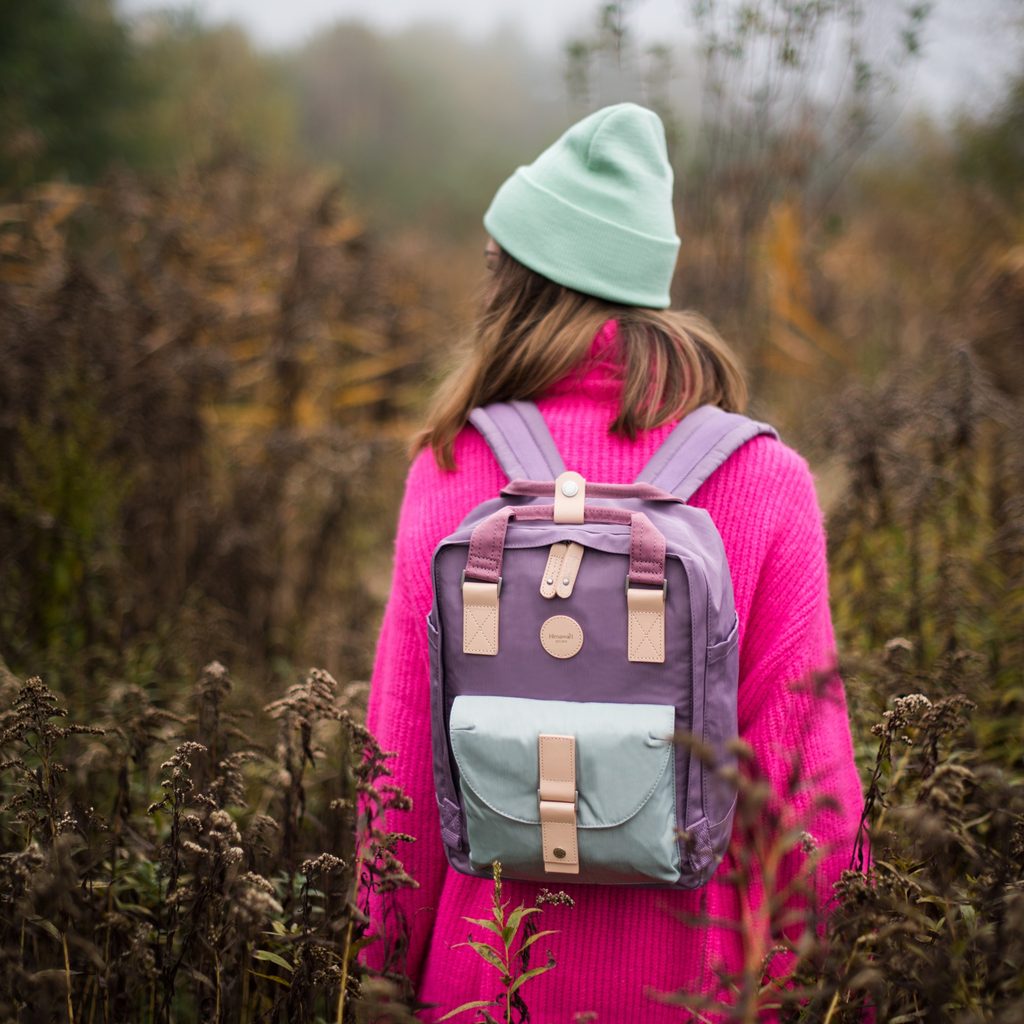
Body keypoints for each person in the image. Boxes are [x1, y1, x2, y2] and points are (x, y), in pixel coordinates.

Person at [364, 103, 863, 1020]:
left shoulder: (451, 467)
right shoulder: (765, 479)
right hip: (698, 987)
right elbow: (805, 786)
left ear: (515, 284)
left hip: (484, 984)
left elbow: (401, 772)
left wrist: (375, 972)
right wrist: (837, 998)